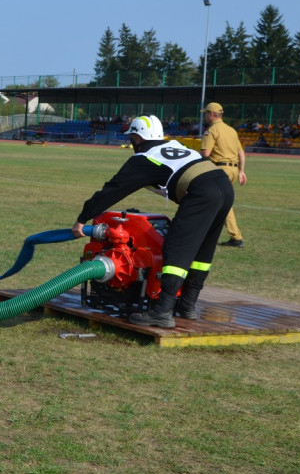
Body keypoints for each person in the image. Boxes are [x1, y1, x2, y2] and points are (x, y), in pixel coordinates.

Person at [72, 115, 234, 328]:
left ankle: (162, 311)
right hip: (223, 185)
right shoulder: (175, 145)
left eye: (132, 138)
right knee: (203, 250)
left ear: (137, 139)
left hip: (201, 192)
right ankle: (187, 305)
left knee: (177, 248)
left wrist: (82, 219)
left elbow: (112, 190)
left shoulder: (145, 158)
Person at [200, 102, 246, 248]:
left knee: (210, 200)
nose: (205, 116)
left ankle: (204, 232)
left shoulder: (211, 130)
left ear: (211, 114)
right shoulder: (231, 130)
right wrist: (241, 171)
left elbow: (205, 154)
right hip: (232, 170)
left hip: (219, 169)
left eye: (206, 113)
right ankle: (236, 237)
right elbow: (241, 152)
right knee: (224, 203)